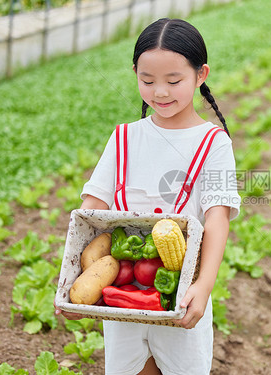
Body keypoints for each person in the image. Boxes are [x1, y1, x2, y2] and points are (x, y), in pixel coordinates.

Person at [55, 18, 240, 375]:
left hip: (179, 291)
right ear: (135, 73)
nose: (160, 93)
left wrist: (204, 286)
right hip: (122, 288)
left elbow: (217, 218)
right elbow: (92, 209)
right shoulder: (124, 139)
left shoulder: (213, 143)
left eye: (174, 81)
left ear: (201, 75)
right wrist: (72, 281)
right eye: (147, 80)